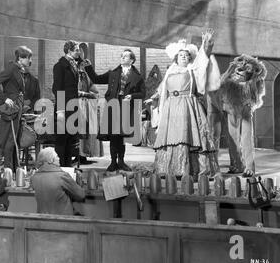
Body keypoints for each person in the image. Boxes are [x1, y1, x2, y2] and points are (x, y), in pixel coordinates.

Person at [148, 29, 221, 179]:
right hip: (171, 107)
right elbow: (163, 88)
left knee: (188, 135)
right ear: (176, 57)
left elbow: (203, 58)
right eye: (181, 55)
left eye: (187, 55)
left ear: (190, 58)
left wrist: (206, 43)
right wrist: (154, 97)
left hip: (188, 106)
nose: (184, 57)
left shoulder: (192, 69)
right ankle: (171, 169)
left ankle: (191, 170)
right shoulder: (170, 71)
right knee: (172, 137)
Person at [85, 49, 146, 172]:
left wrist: (132, 96)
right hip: (113, 107)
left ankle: (121, 161)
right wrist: (88, 66)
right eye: (121, 56)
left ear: (132, 60)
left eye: (125, 56)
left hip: (126, 108)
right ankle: (113, 162)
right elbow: (96, 79)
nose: (122, 58)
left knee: (121, 137)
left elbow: (143, 93)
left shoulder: (137, 77)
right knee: (113, 136)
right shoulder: (113, 73)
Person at [0, 46, 30, 171]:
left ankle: (14, 168)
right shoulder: (12, 68)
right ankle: (8, 169)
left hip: (17, 106)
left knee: (14, 138)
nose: (29, 61)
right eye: (28, 58)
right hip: (11, 108)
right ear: (20, 58)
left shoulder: (18, 69)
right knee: (10, 139)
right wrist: (4, 99)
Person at [52, 41, 81, 167]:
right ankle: (61, 167)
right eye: (76, 50)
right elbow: (57, 88)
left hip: (72, 107)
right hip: (63, 109)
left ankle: (68, 167)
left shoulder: (73, 64)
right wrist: (60, 111)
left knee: (70, 138)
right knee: (62, 139)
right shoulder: (60, 66)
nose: (78, 52)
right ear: (69, 51)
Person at [31, 147, 85, 215]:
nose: (59, 158)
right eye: (57, 156)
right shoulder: (62, 176)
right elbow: (81, 195)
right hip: (63, 219)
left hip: (42, 219)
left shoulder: (34, 177)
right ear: (50, 160)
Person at [74, 44, 104, 164]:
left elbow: (94, 90)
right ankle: (78, 155)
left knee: (88, 129)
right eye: (80, 65)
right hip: (75, 105)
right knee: (78, 129)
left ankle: (84, 155)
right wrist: (82, 94)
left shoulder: (85, 75)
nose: (81, 67)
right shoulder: (73, 74)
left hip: (86, 105)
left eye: (82, 65)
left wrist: (88, 95)